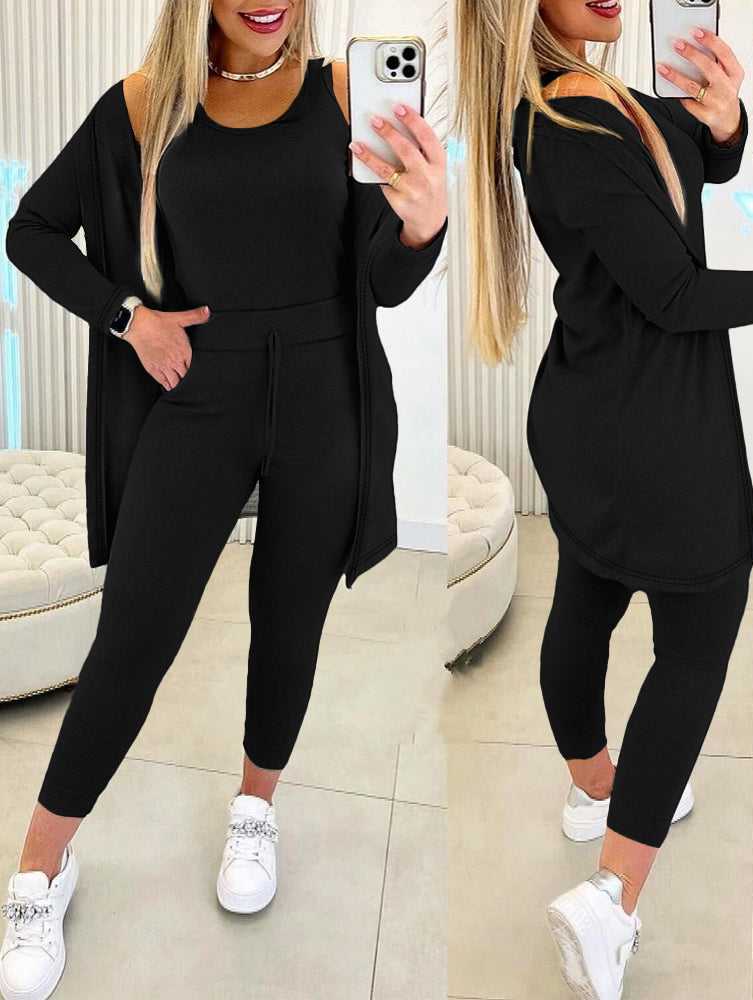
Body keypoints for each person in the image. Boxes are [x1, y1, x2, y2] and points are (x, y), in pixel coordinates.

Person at [0, 2, 447, 998]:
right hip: (199, 393)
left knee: (288, 622)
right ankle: (40, 866)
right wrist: (128, 317)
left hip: (327, 395)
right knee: (133, 639)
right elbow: (31, 230)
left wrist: (424, 223)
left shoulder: (345, 95)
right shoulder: (142, 105)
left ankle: (255, 809)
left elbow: (383, 279)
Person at [453, 1, 753, 998]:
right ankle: (611, 899)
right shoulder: (574, 126)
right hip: (654, 433)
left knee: (588, 595)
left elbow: (692, 165)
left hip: (593, 415)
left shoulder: (582, 99)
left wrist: (725, 124)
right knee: (697, 639)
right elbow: (677, 295)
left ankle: (593, 788)